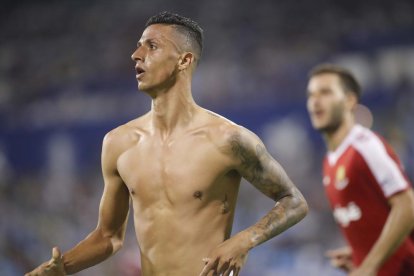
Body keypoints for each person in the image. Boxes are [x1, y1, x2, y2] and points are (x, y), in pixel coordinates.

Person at [26, 11, 308, 276]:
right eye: (138, 46)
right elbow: (108, 238)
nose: (136, 55)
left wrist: (245, 240)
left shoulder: (228, 139)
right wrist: (62, 267)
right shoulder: (118, 144)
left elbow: (294, 201)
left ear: (184, 60)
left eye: (152, 46)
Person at [306, 64, 414, 276]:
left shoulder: (365, 146)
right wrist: (360, 253)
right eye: (311, 94)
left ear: (349, 100)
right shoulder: (330, 161)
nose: (315, 101)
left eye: (325, 92)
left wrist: (369, 265)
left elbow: (407, 204)